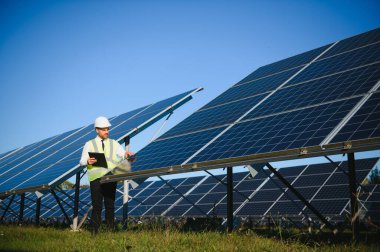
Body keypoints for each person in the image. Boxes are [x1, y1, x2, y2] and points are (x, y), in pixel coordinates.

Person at [79, 116, 135, 233]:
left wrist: (127, 154)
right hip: (96, 179)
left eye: (107, 129)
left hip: (110, 178)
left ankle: (110, 231)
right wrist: (87, 161)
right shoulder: (89, 144)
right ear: (97, 130)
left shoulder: (113, 143)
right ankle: (95, 232)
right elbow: (81, 161)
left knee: (110, 205)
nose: (107, 131)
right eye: (104, 129)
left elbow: (122, 153)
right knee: (97, 206)